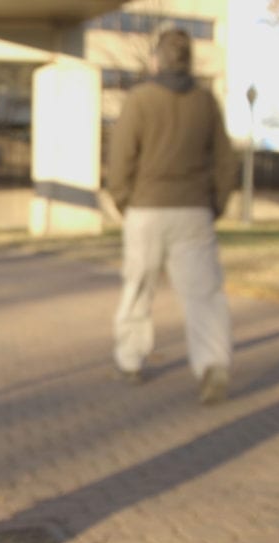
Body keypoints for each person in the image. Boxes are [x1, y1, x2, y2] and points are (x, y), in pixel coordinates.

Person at [106, 27, 238, 404]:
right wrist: (216, 204)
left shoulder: (140, 100)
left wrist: (122, 199)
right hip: (194, 210)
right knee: (205, 293)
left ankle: (130, 360)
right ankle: (213, 363)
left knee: (138, 288)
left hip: (146, 209)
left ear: (156, 60)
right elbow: (226, 162)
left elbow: (120, 158)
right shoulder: (205, 102)